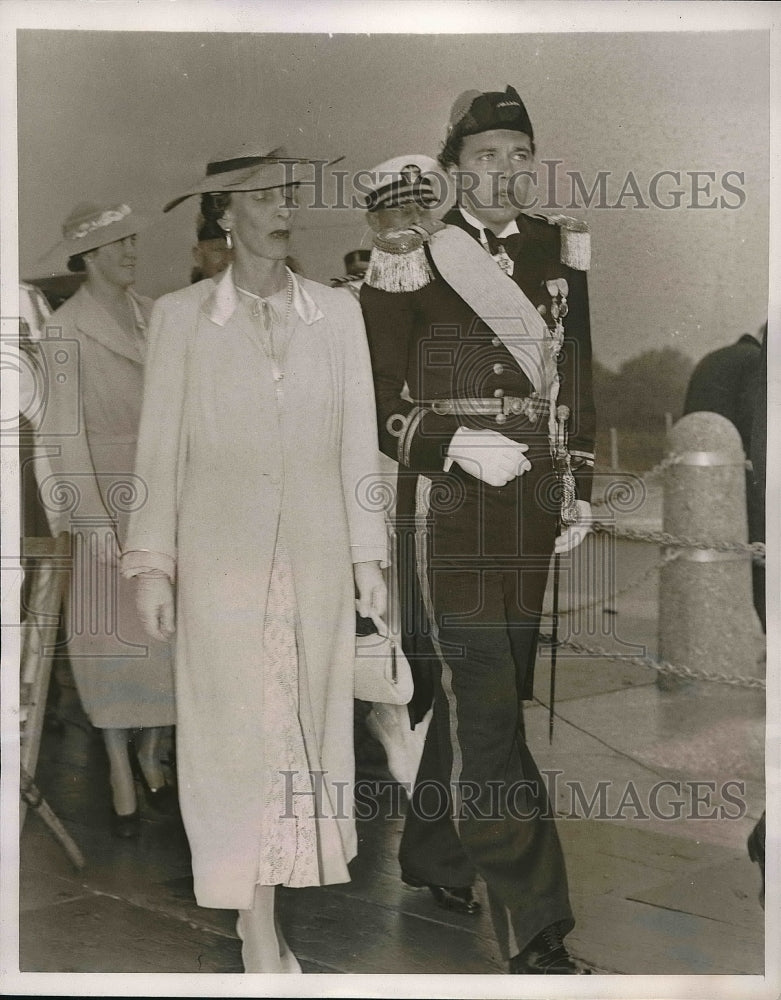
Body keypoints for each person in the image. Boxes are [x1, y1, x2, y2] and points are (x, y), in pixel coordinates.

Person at [122, 148, 388, 973]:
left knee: (297, 735)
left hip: (309, 565)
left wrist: (366, 556)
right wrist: (152, 566)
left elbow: (357, 444)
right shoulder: (181, 317)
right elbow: (157, 452)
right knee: (234, 743)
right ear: (224, 218)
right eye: (261, 199)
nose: (282, 210)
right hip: (221, 567)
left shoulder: (337, 315)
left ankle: (261, 915)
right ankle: (253, 920)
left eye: (287, 197)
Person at [359, 85, 596, 975]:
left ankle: (433, 853)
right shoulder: (413, 249)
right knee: (487, 700)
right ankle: (535, 923)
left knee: (490, 685)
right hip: (450, 495)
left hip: (530, 492)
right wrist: (449, 440)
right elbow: (377, 399)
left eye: (517, 152)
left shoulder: (552, 247)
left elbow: (576, 369)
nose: (504, 170)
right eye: (486, 155)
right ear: (454, 167)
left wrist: (573, 483)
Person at [35, 202, 176, 838]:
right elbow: (64, 436)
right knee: (110, 643)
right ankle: (120, 766)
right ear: (89, 257)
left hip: (163, 497)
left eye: (131, 240)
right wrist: (91, 523)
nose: (130, 252)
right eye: (117, 244)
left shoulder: (155, 313)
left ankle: (153, 748)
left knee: (164, 638)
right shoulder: (65, 330)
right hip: (106, 501)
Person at [683, 327, 765, 630]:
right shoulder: (758, 361)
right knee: (761, 556)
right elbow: (754, 420)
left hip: (695, 473)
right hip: (736, 472)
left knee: (707, 557)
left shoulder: (716, 358)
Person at [189, 199, 234, 283]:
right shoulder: (186, 296)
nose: (229, 259)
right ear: (198, 255)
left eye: (235, 249)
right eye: (219, 249)